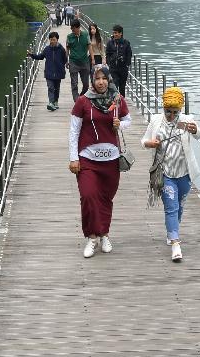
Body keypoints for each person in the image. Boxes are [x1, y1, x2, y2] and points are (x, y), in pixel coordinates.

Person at [68, 65, 132, 258]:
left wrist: (120, 124)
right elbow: (73, 131)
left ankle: (104, 234)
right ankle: (91, 237)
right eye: (97, 79)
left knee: (105, 198)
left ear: (109, 79)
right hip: (87, 158)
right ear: (92, 81)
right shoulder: (83, 101)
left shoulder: (117, 100)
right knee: (88, 196)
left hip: (111, 159)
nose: (101, 82)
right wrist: (73, 158)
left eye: (104, 78)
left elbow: (128, 120)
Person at [141, 86, 200, 262]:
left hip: (184, 172)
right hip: (165, 172)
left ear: (180, 109)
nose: (171, 115)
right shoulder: (156, 121)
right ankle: (175, 243)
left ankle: (172, 230)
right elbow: (143, 141)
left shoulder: (186, 120)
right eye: (168, 111)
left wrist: (194, 130)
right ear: (163, 108)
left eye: (174, 112)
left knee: (180, 205)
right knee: (171, 206)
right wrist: (151, 143)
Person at [27, 31, 68, 111]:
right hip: (49, 72)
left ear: (57, 40)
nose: (52, 41)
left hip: (58, 72)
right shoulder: (47, 49)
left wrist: (61, 67)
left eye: (54, 39)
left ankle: (55, 101)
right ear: (49, 40)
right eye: (51, 39)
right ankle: (51, 103)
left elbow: (65, 59)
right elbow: (41, 57)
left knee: (57, 87)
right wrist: (32, 55)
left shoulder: (61, 49)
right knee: (50, 87)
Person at [65, 19, 92, 101]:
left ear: (78, 27)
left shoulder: (86, 34)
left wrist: (93, 58)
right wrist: (66, 60)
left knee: (86, 84)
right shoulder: (69, 37)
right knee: (74, 83)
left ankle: (81, 96)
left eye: (73, 28)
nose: (72, 30)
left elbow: (89, 46)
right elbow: (67, 49)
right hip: (73, 62)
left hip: (84, 61)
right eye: (71, 28)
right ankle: (76, 100)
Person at [105, 24, 133, 97]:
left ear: (121, 33)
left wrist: (127, 64)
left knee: (122, 87)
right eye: (114, 33)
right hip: (113, 68)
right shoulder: (110, 43)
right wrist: (109, 63)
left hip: (123, 68)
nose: (115, 34)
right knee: (114, 85)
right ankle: (114, 102)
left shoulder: (126, 43)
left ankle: (121, 102)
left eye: (116, 33)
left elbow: (129, 54)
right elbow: (107, 54)